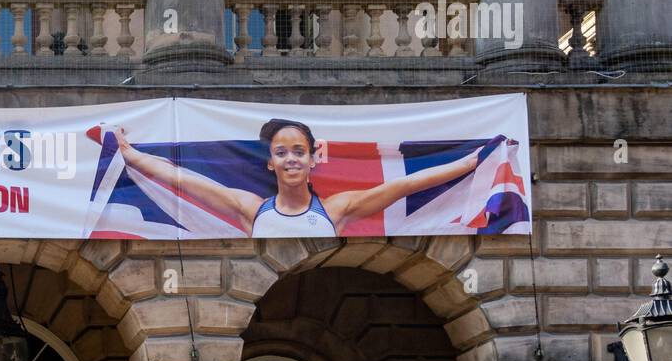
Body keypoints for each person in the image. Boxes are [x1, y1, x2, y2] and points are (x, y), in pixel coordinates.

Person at [113, 117, 498, 237]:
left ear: (314, 159)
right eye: (281, 153)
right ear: (270, 163)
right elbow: (185, 180)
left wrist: (469, 164)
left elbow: (404, 185)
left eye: (299, 152)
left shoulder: (336, 210)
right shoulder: (252, 209)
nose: (291, 159)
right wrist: (132, 156)